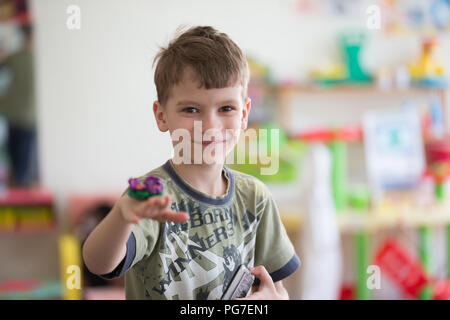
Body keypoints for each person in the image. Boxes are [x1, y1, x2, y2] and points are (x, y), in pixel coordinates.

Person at [82, 26, 300, 300]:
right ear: (161, 116)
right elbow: (98, 263)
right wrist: (122, 215)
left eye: (226, 108)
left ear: (244, 114)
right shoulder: (151, 197)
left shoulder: (255, 198)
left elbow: (277, 289)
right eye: (191, 109)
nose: (210, 125)